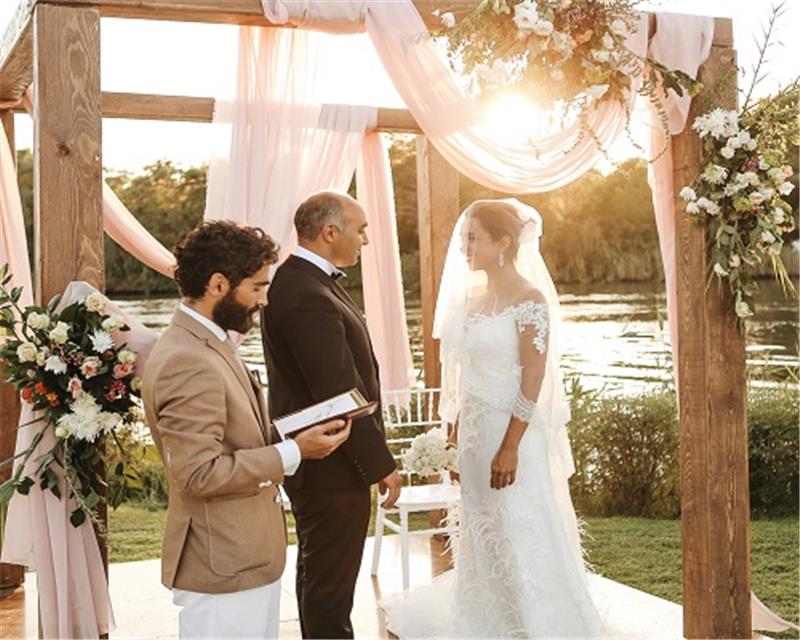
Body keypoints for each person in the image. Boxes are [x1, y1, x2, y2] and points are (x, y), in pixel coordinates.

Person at [382, 199, 609, 637]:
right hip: (474, 436)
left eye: (473, 238)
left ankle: (537, 625)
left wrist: (510, 447)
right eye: (464, 238)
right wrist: (453, 437)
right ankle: (484, 621)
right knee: (481, 527)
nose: (464, 248)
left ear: (503, 242)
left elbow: (533, 377)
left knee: (519, 525)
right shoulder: (472, 300)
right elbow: (464, 377)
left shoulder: (530, 300)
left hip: (513, 436)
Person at [142, 220, 351, 638]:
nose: (265, 299)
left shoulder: (209, 341)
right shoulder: (188, 359)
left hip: (242, 559)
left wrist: (293, 433)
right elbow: (197, 473)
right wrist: (295, 452)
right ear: (218, 284)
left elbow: (233, 434)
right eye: (257, 287)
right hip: (222, 566)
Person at [261, 191, 403, 638]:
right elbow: (339, 391)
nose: (365, 239)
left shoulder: (306, 281)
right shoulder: (305, 292)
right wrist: (380, 464)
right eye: (360, 230)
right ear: (329, 232)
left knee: (320, 579)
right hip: (331, 463)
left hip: (326, 462)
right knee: (330, 589)